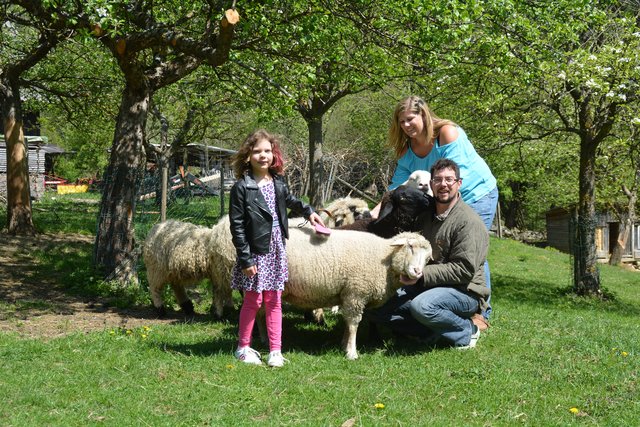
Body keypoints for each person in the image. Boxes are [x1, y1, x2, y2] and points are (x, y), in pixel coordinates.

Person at [374, 95, 498, 323]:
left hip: (476, 192)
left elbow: (453, 175)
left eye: (410, 119)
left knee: (471, 247)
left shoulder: (446, 133)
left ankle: (480, 311)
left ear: (424, 115)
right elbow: (396, 189)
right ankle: (440, 300)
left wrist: (435, 203)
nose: (406, 126)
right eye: (401, 122)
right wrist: (373, 215)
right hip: (440, 198)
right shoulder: (406, 150)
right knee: (440, 247)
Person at [369, 158, 490, 349]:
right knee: (376, 305)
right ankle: (430, 331)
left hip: (464, 291)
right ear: (431, 184)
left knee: (423, 306)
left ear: (459, 184)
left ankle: (467, 331)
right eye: (438, 180)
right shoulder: (425, 216)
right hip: (426, 285)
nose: (443, 184)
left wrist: (422, 276)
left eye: (449, 180)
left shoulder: (469, 222)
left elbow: (464, 270)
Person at [229, 129, 326, 367]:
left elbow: (290, 200)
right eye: (257, 151)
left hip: (275, 249)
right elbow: (237, 226)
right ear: (247, 156)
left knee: (274, 300)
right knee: (254, 301)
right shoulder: (242, 187)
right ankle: (242, 348)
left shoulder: (278, 182)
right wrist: (246, 259)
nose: (263, 156)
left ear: (274, 154)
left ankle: (275, 351)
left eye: (267, 151)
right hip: (255, 251)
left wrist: (309, 212)